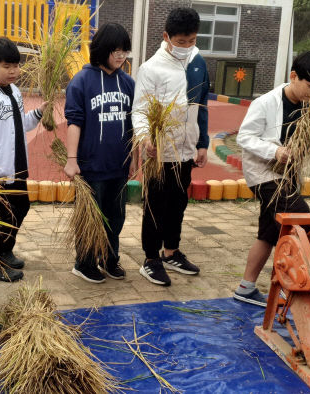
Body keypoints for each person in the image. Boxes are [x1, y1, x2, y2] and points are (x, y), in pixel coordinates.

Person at [233, 52, 310, 306]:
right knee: (300, 218)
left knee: (267, 231)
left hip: (287, 174)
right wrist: (274, 151)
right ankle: (294, 287)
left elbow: (309, 138)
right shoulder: (265, 103)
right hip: (263, 174)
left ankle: (246, 287)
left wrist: (309, 145)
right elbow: (244, 137)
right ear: (293, 76)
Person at [132, 7, 210, 287]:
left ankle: (171, 251)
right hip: (160, 151)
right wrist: (145, 137)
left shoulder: (198, 62)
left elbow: (201, 105)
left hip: (186, 150)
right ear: (166, 36)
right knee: (155, 204)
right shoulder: (151, 68)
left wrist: (202, 143)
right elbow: (139, 110)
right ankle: (151, 259)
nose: (186, 47)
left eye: (191, 41)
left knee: (178, 202)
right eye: (180, 42)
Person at [0, 37, 47, 282]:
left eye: (16, 65)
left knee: (20, 208)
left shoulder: (13, 91)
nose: (14, 71)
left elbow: (18, 124)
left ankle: (5, 251)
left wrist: (37, 114)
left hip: (18, 168)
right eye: (7, 66)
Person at [64, 23, 136, 283]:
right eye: (116, 50)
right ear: (102, 49)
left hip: (118, 165)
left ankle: (109, 258)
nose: (121, 56)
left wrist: (133, 160)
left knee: (115, 217)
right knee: (90, 217)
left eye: (124, 51)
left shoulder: (128, 83)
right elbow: (75, 122)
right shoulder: (82, 81)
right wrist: (72, 160)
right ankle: (84, 262)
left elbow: (134, 125)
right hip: (90, 166)